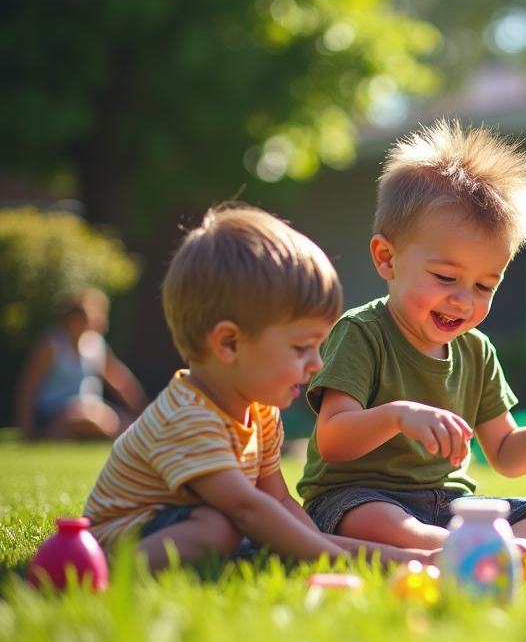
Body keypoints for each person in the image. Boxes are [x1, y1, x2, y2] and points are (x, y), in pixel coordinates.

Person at [299, 119, 526, 567]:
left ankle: (494, 551)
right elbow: (333, 440)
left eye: (485, 286)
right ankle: (517, 556)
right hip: (358, 499)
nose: (463, 300)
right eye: (445, 277)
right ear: (387, 258)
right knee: (383, 522)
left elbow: (505, 454)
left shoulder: (476, 350)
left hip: (447, 507)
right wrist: (399, 416)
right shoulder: (362, 332)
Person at [83, 205, 432, 570]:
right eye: (301, 348)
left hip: (202, 522)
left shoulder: (260, 413)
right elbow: (249, 511)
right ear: (230, 343)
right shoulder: (187, 416)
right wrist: (338, 562)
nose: (316, 363)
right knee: (221, 528)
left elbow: (278, 503)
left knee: (245, 532)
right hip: (127, 537)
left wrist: (402, 558)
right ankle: (103, 571)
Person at [15, 287, 148, 440]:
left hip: (92, 407)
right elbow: (28, 388)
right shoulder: (50, 344)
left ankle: (69, 435)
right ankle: (51, 432)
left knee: (125, 426)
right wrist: (27, 429)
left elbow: (120, 382)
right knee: (87, 418)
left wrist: (142, 411)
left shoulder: (97, 344)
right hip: (55, 411)